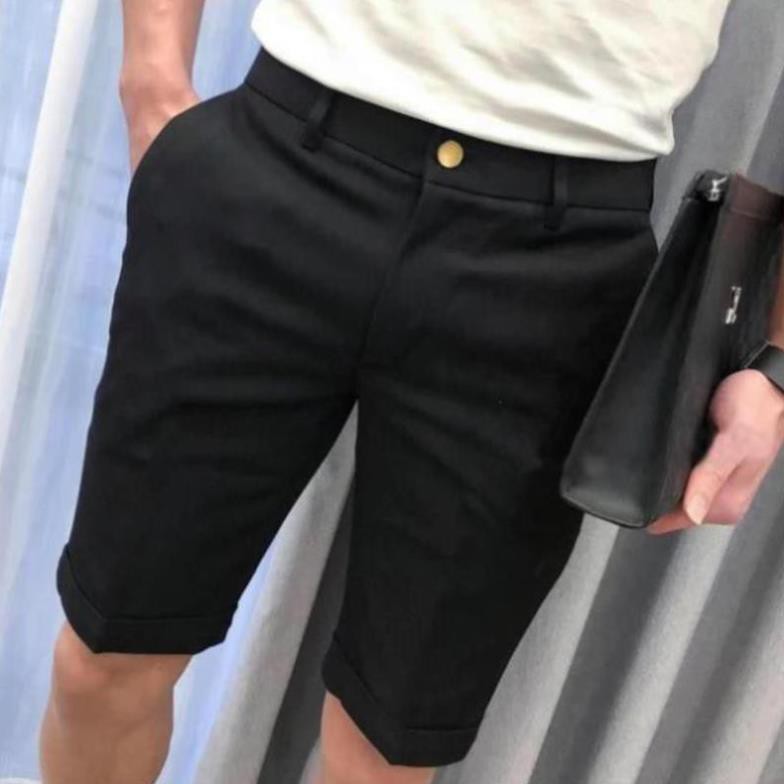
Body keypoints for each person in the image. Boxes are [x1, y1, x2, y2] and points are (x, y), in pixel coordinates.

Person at [38, 1, 784, 783]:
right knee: (103, 658)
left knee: (389, 750)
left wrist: (772, 365)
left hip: (553, 271)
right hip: (278, 163)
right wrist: (151, 78)